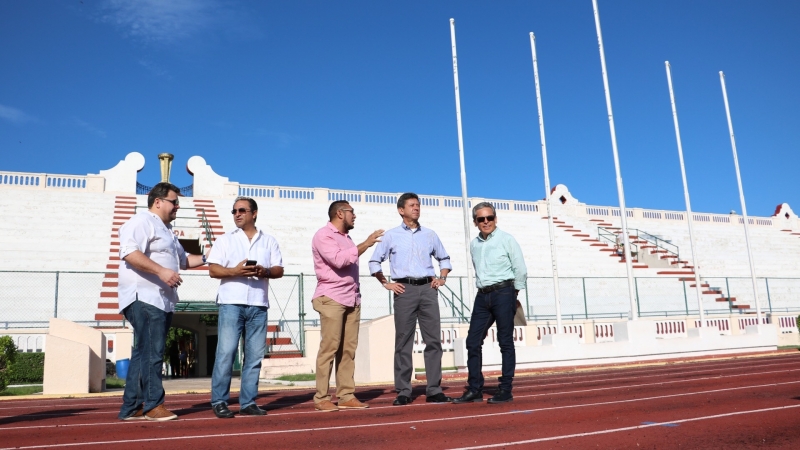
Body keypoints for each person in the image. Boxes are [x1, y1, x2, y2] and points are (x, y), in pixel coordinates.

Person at [117, 182, 206, 421]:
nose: (177, 206)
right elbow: (129, 252)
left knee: (143, 352)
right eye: (174, 201)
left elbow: (185, 260)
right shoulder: (141, 221)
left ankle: (132, 407)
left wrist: (211, 255)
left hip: (161, 300)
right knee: (153, 352)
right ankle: (153, 405)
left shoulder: (167, 231)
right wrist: (161, 272)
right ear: (158, 201)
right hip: (144, 297)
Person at [368, 193, 452, 406]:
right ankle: (404, 391)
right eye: (412, 205)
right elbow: (374, 261)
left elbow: (444, 258)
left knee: (433, 340)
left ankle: (434, 389)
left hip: (428, 289)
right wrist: (385, 283)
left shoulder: (430, 235)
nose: (416, 208)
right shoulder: (391, 236)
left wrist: (442, 278)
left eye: (418, 205)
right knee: (403, 341)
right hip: (403, 290)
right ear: (401, 210)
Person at [208, 197, 284, 419]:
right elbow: (213, 270)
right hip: (231, 303)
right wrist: (235, 272)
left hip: (258, 304)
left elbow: (279, 269)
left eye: (242, 210)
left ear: (254, 213)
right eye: (234, 211)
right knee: (226, 352)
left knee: (254, 356)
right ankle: (219, 401)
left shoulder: (269, 241)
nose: (237, 214)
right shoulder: (225, 240)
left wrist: (265, 271)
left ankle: (248, 402)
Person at [311, 200, 383, 412]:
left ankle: (345, 395)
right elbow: (338, 261)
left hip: (351, 298)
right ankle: (321, 397)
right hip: (331, 298)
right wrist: (366, 243)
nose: (355, 216)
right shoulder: (323, 235)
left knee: (348, 350)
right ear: (340, 213)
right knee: (329, 348)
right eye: (352, 212)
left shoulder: (347, 238)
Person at [453, 202, 527, 405]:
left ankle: (505, 389)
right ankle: (475, 389)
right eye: (481, 219)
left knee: (505, 341)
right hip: (482, 295)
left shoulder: (506, 239)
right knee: (472, 342)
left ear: (495, 218)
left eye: (489, 218)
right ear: (475, 222)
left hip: (504, 292)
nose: (486, 222)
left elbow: (520, 268)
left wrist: (513, 292)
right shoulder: (474, 244)